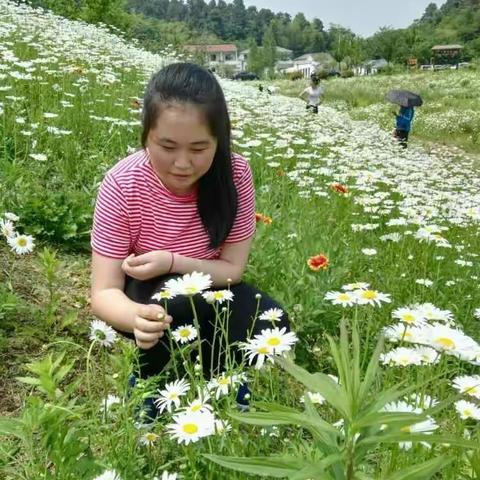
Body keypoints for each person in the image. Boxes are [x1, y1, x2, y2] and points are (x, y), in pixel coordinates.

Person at [90, 63, 289, 395]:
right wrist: (136, 318)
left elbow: (232, 271)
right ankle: (150, 390)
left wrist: (172, 261)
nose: (182, 163)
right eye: (167, 147)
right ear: (145, 137)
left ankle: (221, 383)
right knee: (172, 310)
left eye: (199, 149)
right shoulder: (123, 183)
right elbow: (103, 292)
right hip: (148, 293)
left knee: (271, 320)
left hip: (209, 282)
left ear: (219, 140)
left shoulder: (235, 175)